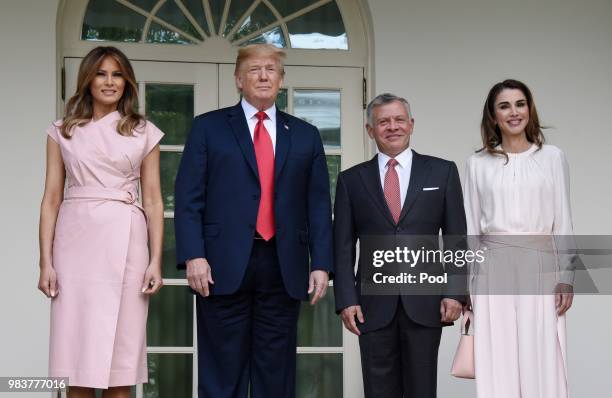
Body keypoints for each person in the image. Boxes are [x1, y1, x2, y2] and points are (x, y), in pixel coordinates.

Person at [174, 44, 333, 398]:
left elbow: (318, 204)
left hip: (283, 264)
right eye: (254, 70)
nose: (263, 76)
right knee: (221, 375)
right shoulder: (208, 128)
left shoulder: (305, 134)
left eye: (271, 70)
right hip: (219, 264)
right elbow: (188, 199)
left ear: (281, 79)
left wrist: (321, 262)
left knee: (275, 376)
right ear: (238, 79)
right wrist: (193, 255)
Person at [38, 46, 164, 397]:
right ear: (88, 79)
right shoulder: (61, 131)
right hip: (75, 242)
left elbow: (153, 200)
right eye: (102, 73)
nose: (110, 82)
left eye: (118, 74)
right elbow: (51, 198)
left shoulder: (144, 131)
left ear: (127, 82)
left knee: (120, 364)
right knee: (75, 360)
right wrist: (45, 261)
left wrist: (155, 261)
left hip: (127, 242)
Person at [333, 93, 467, 398]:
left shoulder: (442, 172)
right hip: (371, 306)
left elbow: (457, 236)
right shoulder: (351, 180)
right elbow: (342, 245)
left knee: (422, 391)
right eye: (383, 122)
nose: (392, 127)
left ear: (411, 124)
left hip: (425, 302)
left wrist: (455, 292)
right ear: (370, 130)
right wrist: (346, 299)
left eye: (398, 120)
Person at [464, 79, 575, 397]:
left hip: (541, 269)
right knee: (497, 357)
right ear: (493, 116)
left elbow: (564, 222)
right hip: (491, 271)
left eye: (520, 103)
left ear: (530, 109)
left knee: (542, 354)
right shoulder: (476, 164)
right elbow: (472, 230)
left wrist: (567, 276)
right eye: (504, 106)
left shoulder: (552, 157)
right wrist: (468, 284)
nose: (514, 112)